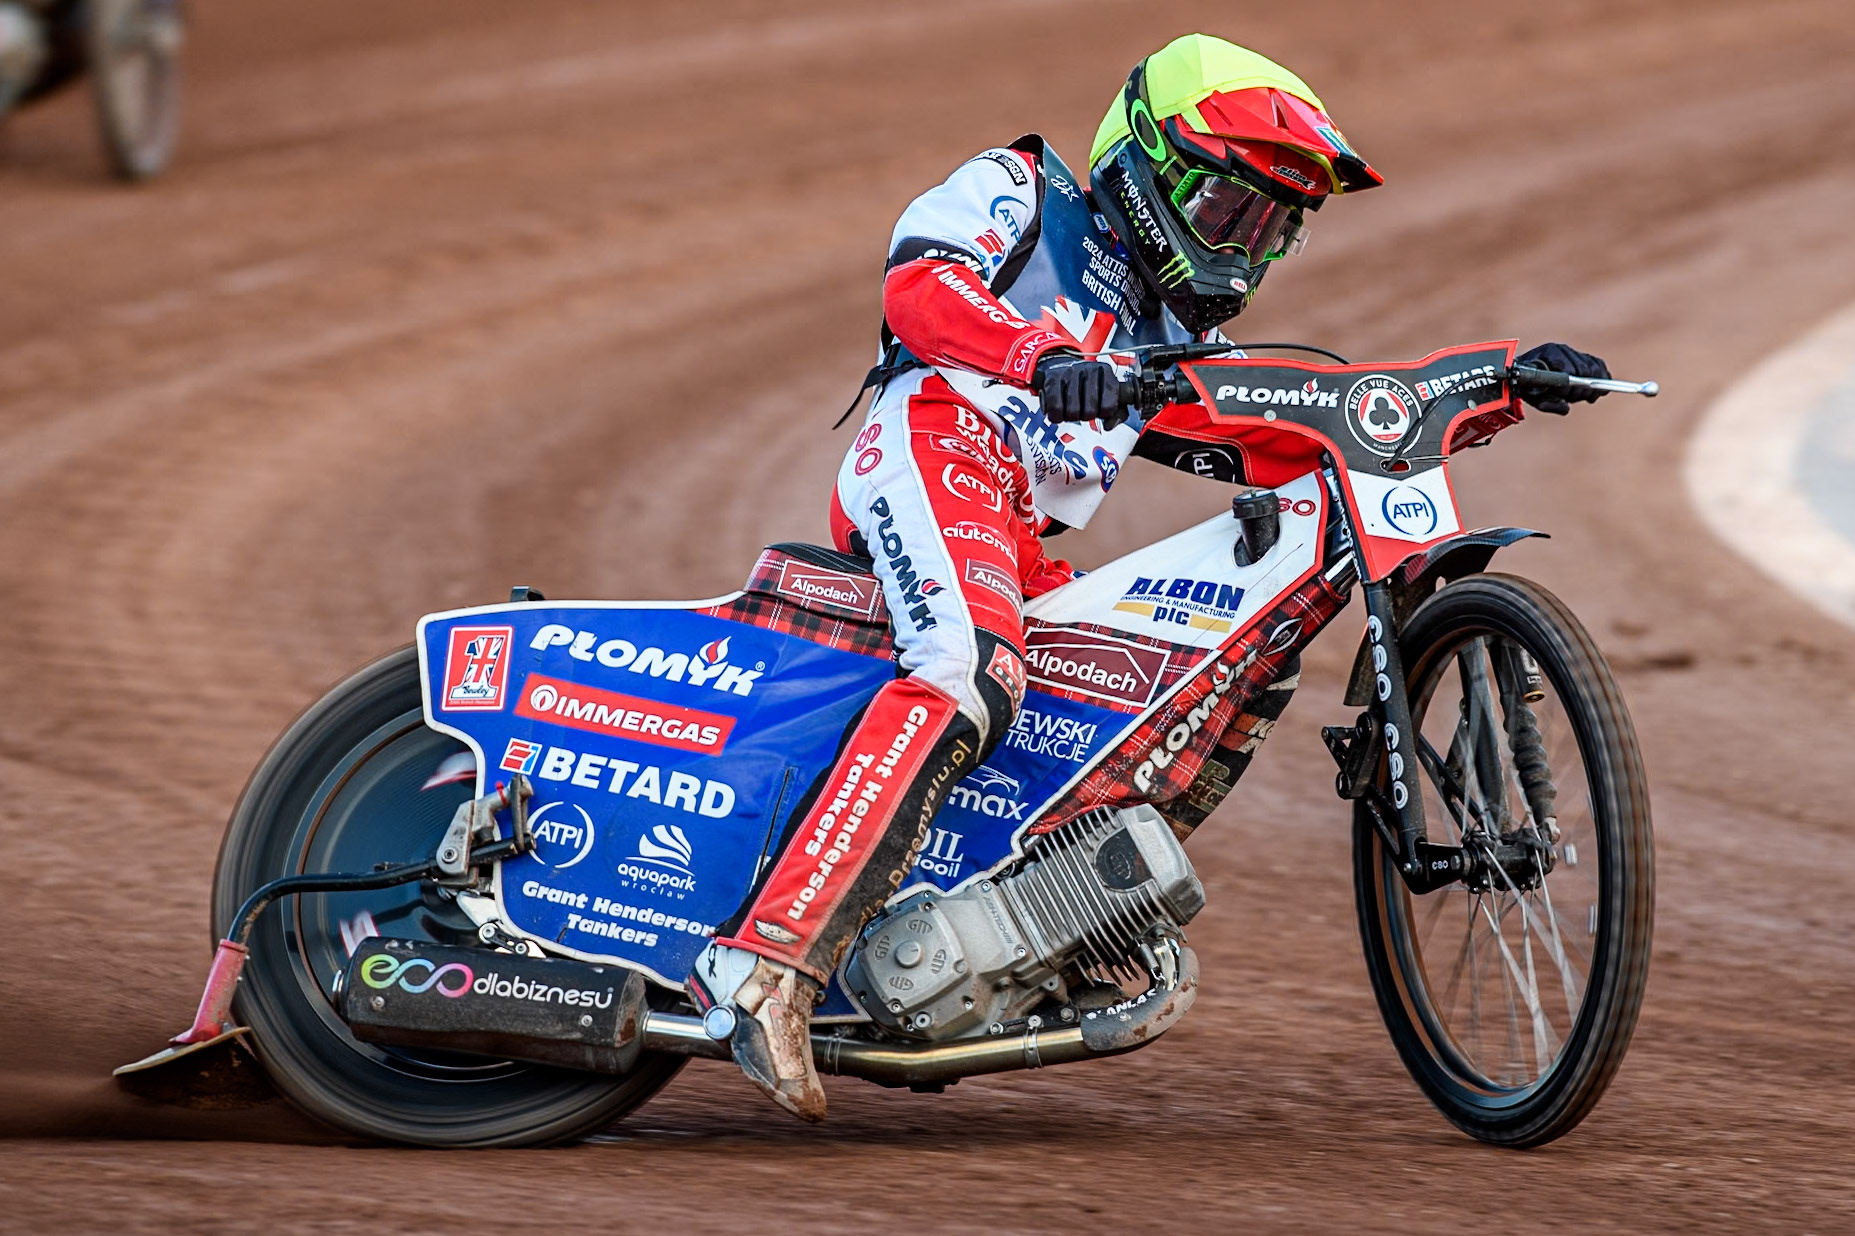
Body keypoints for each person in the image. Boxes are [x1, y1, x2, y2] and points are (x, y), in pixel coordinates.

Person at [686, 32, 1611, 1122]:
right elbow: (917, 286)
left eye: (1271, 228)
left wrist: (1493, 382)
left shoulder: (1165, 341)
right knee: (967, 672)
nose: (1243, 248)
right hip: (933, 447)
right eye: (1231, 212)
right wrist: (1040, 358)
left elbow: (1311, 424)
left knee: (1189, 678)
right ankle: (765, 963)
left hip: (1015, 528)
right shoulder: (1022, 189)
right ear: (1144, 169)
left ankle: (1036, 923)